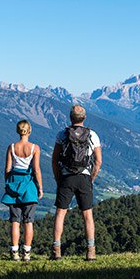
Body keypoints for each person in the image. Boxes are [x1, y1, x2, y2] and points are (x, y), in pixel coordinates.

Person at [51, 104, 102, 261]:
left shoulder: (62, 134)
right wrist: (91, 178)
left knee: (60, 214)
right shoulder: (92, 135)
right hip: (84, 177)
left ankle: (56, 250)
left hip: (67, 176)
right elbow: (98, 161)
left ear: (70, 118)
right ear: (84, 118)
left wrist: (59, 178)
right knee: (87, 215)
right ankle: (91, 251)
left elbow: (54, 159)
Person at [1, 119, 43, 261]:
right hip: (29, 186)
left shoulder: (11, 147)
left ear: (18, 131)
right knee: (28, 221)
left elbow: (7, 169)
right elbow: (36, 170)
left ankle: (14, 252)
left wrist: (8, 184)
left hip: (14, 186)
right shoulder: (34, 148)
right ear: (29, 131)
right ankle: (27, 252)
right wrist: (40, 188)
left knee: (15, 221)